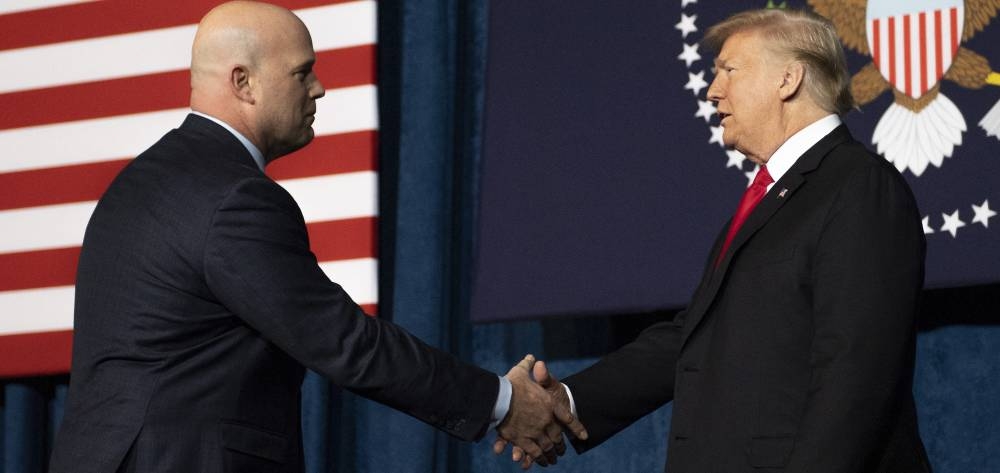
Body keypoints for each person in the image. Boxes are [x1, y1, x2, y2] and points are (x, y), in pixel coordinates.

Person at [48, 2, 584, 472]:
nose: (319, 88)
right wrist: (503, 402)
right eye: (302, 73)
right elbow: (347, 344)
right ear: (243, 83)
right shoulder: (234, 197)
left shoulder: (139, 181)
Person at [496, 8, 931, 472]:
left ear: (788, 79)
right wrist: (566, 400)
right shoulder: (768, 200)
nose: (712, 90)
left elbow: (855, 376)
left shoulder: (859, 186)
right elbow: (698, 337)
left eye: (729, 70)